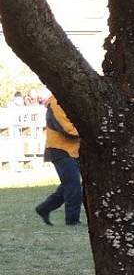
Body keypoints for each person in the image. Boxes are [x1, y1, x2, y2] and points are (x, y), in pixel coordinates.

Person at [34, 96, 82, 226]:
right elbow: (66, 128)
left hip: (71, 150)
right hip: (59, 149)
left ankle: (44, 208)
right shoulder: (56, 103)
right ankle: (72, 221)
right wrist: (86, 132)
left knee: (68, 185)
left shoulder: (67, 101)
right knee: (73, 186)